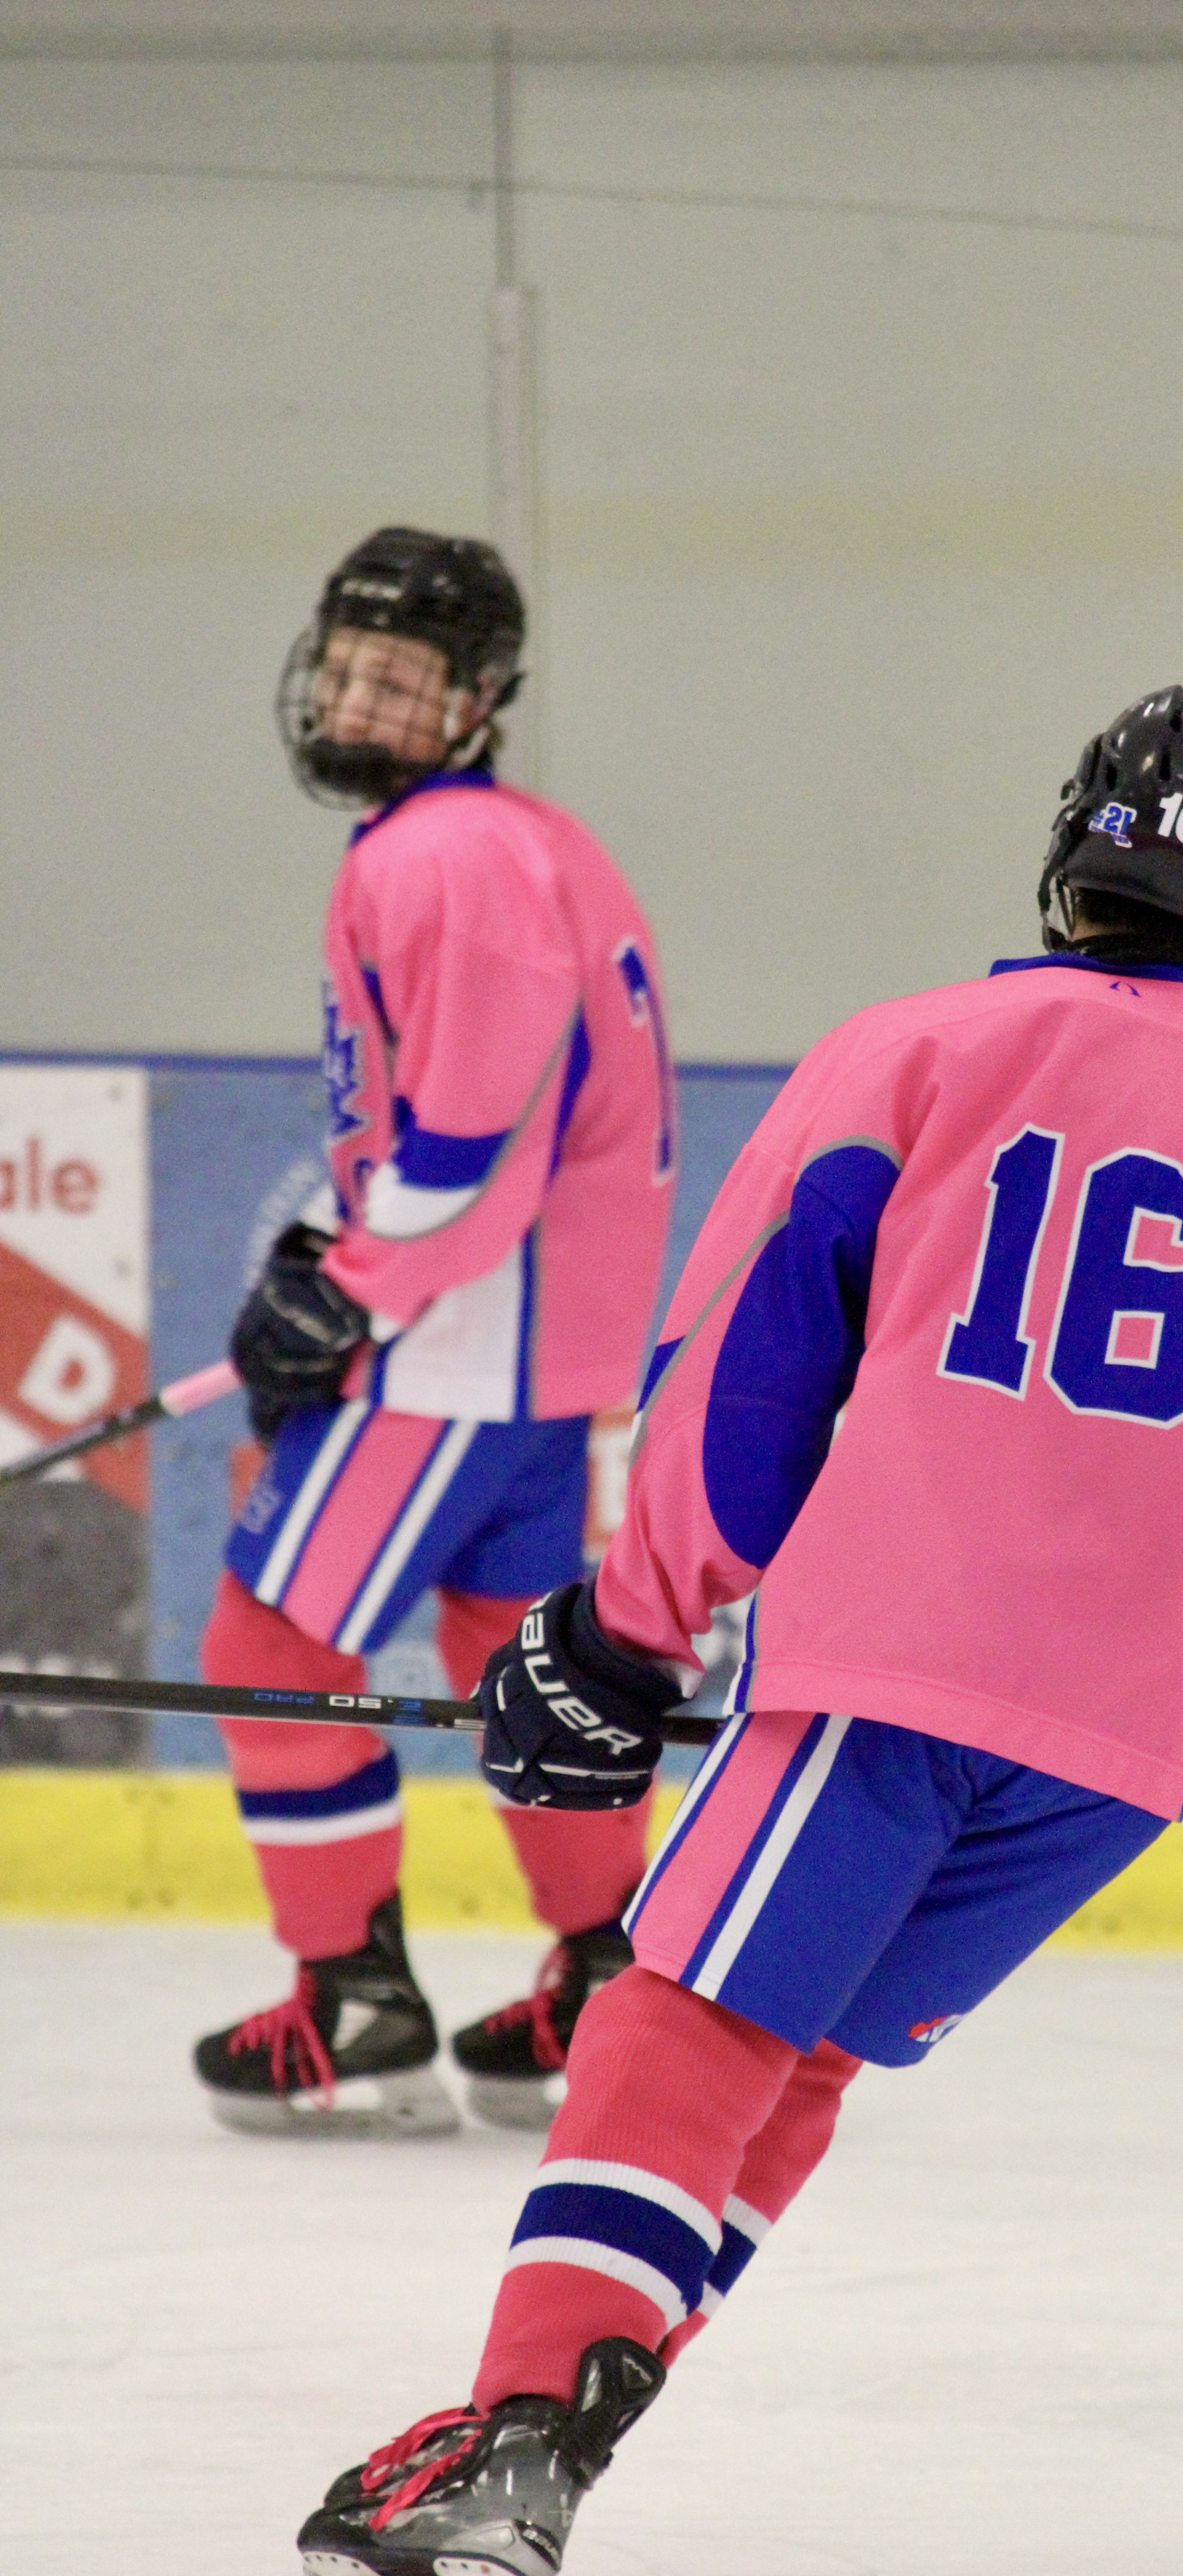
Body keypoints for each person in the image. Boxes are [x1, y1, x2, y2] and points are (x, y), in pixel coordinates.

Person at [275, 685, 1183, 2576]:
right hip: (1134, 1739)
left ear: (1070, 849)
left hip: (896, 1666)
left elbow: (754, 1366)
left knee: (685, 2012)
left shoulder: (916, 1050)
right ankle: (574, 2414)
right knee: (806, 2044)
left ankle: (519, 2438)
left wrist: (634, 1621)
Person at [193, 527, 677, 2135]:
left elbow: (475, 1142)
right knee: (519, 1662)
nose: (355, 700)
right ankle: (616, 1982)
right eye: (344, 666)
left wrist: (350, 1283)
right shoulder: (520, 842)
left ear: (478, 699)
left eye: (397, 679)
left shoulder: (447, 857)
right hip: (537, 1358)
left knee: (270, 1641)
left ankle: (352, 1992)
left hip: (459, 1350)